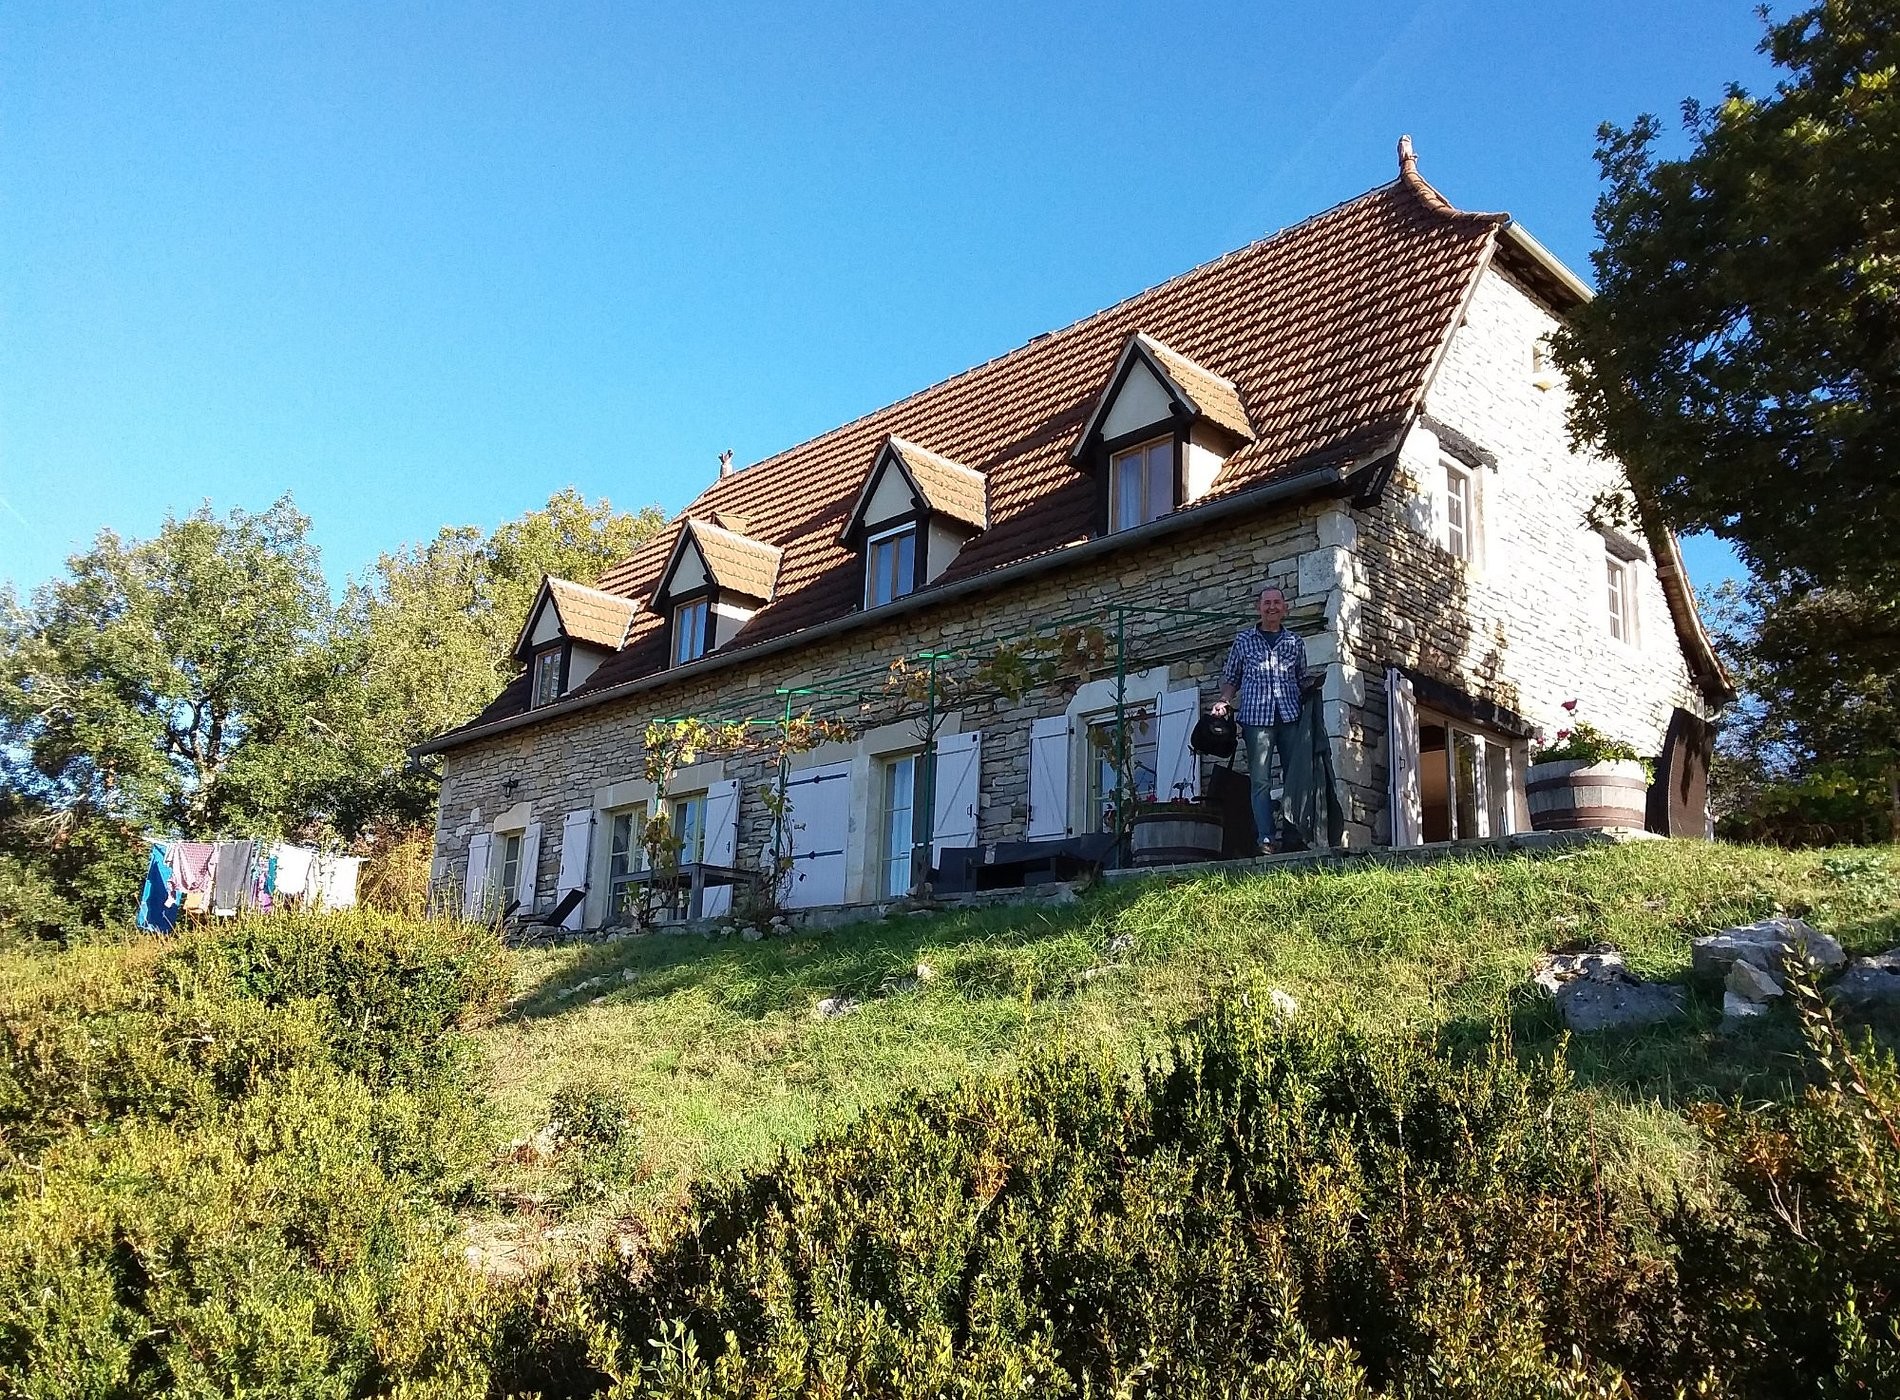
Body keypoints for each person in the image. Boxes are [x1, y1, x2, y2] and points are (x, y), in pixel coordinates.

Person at [1212, 585, 1308, 853]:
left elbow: (1301, 679)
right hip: (1256, 719)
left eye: (1277, 602)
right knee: (1261, 780)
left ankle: (1292, 835)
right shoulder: (1244, 641)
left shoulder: (1294, 643)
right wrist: (1224, 702)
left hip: (1290, 716)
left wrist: (1313, 690)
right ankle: (1266, 838)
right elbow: (1231, 680)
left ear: (1285, 608)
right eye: (1267, 603)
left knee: (1294, 778)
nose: (1272, 607)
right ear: (1258, 607)